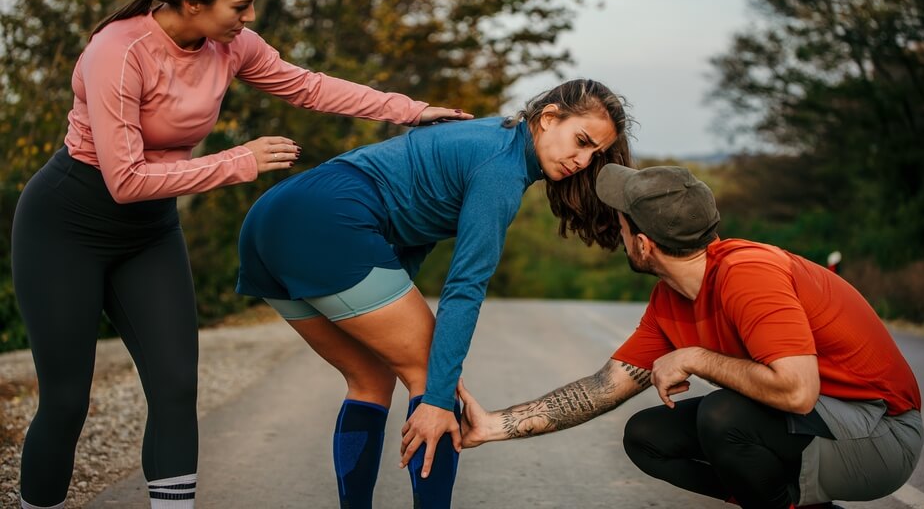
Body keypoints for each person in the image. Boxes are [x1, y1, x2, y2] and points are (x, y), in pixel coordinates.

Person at [10, 0, 469, 509]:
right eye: (240, 5)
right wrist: (238, 162)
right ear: (193, 1)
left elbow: (308, 86)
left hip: (149, 233)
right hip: (66, 226)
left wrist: (412, 111)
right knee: (67, 399)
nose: (250, 17)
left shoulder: (230, 46)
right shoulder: (118, 51)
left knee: (176, 389)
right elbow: (123, 180)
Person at [235, 78, 632, 508]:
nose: (584, 159)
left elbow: (411, 224)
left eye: (596, 154)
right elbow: (465, 287)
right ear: (549, 117)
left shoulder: (488, 134)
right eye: (582, 141)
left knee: (370, 379)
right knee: (434, 377)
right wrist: (439, 398)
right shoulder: (503, 167)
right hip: (328, 222)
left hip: (272, 219)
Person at [457, 164, 923, 509]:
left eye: (622, 222)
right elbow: (604, 388)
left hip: (880, 436)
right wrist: (492, 426)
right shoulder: (671, 297)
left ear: (644, 244)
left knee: (723, 417)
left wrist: (696, 357)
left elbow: (798, 391)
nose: (617, 229)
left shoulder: (748, 274)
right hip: (822, 429)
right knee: (647, 436)